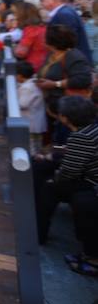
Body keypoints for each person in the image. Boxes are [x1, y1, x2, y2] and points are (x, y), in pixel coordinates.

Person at [32, 96, 98, 275]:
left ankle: (38, 233)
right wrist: (53, 153)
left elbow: (69, 172)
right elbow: (73, 152)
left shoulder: (80, 136)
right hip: (89, 180)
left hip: (89, 185)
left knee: (48, 187)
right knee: (45, 174)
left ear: (65, 117)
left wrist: (54, 177)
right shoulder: (92, 129)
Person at [35, 24, 94, 145]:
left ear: (52, 42)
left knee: (64, 141)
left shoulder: (74, 56)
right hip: (54, 108)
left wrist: (55, 84)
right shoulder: (52, 55)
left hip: (69, 111)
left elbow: (83, 79)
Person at [42, 0, 93, 65]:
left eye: (44, 0)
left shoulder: (64, 14)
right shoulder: (65, 11)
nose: (42, 3)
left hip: (73, 63)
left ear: (53, 0)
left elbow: (68, 41)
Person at [16, 61, 47, 154]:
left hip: (30, 121)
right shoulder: (33, 83)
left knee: (31, 145)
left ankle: (33, 162)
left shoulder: (27, 87)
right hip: (36, 120)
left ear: (20, 76)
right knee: (37, 144)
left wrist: (14, 100)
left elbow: (23, 104)